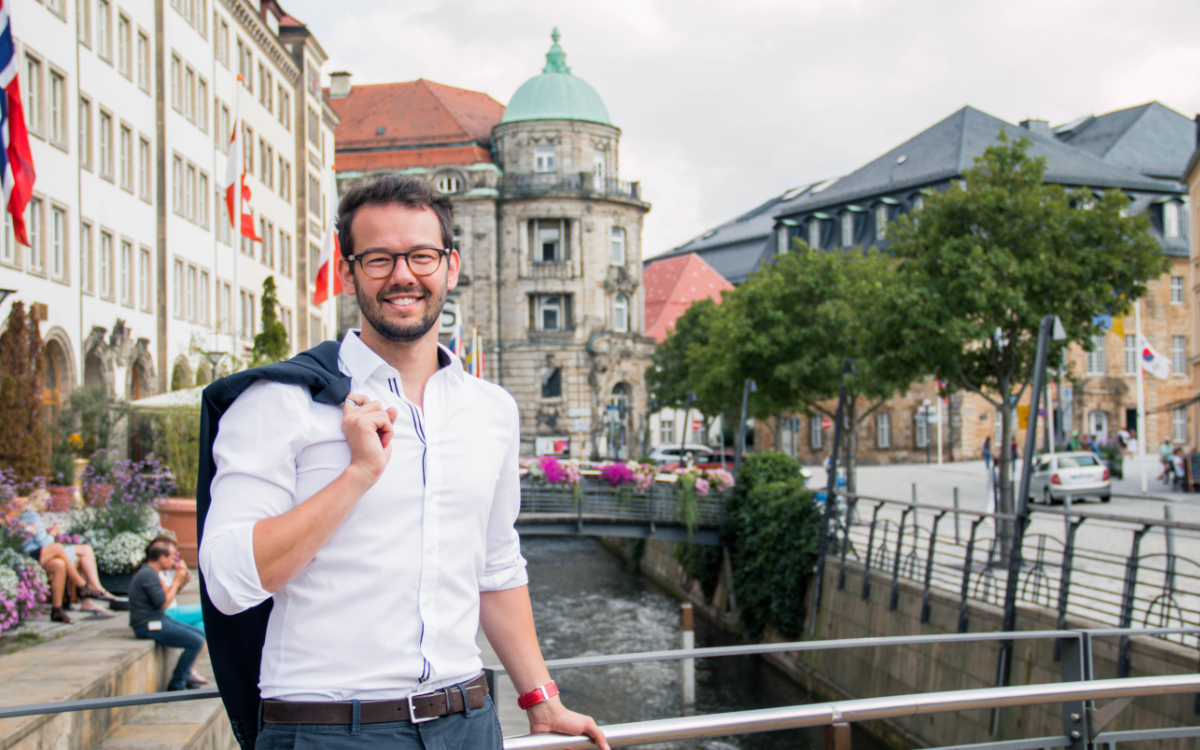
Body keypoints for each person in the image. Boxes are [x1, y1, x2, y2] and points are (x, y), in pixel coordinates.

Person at [200, 176, 608, 750]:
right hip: (331, 730)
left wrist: (542, 700)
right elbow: (227, 581)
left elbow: (495, 569)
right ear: (348, 272)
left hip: (469, 720)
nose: (402, 275)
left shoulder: (490, 409)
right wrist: (357, 476)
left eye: (421, 256)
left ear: (451, 266)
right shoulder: (278, 401)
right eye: (378, 258)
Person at [17, 495, 114, 623]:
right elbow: (44, 542)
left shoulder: (21, 516)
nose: (23, 499)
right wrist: (53, 532)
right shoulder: (28, 515)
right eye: (19, 497)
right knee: (57, 548)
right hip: (23, 556)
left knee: (59, 564)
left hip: (34, 554)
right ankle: (82, 586)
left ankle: (57, 610)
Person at [129, 537, 207, 691]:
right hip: (148, 625)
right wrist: (177, 580)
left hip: (158, 619)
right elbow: (163, 603)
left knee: (199, 634)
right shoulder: (147, 574)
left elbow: (161, 599)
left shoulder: (150, 572)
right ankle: (177, 683)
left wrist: (180, 583)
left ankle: (184, 676)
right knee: (196, 641)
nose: (174, 562)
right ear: (162, 558)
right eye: (172, 557)